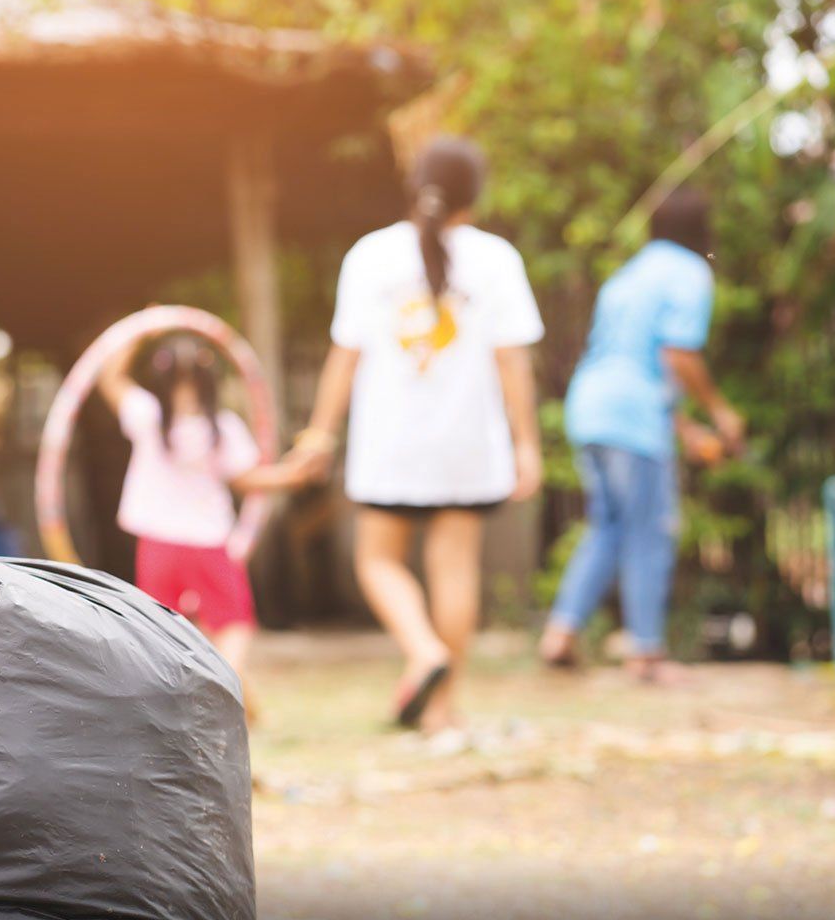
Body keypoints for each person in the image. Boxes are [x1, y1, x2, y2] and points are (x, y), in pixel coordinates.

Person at [288, 137, 544, 732]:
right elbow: (513, 363)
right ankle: (442, 707)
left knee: (377, 560)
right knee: (454, 568)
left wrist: (320, 435)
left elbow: (343, 358)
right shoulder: (497, 259)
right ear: (474, 197)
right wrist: (526, 443)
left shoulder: (370, 256)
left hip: (391, 443)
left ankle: (421, 649)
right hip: (468, 443)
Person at [539, 189, 744, 683]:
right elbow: (677, 355)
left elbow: (638, 359)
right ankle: (646, 653)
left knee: (608, 525)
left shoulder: (628, 274)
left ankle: (561, 634)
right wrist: (720, 413)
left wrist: (685, 427)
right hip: (633, 415)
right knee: (649, 529)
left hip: (591, 405)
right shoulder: (690, 272)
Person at [100, 332, 309, 723]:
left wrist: (140, 333)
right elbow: (248, 479)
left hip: (158, 544)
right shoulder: (222, 427)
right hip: (207, 542)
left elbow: (110, 377)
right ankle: (219, 693)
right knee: (233, 623)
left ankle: (209, 700)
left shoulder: (146, 415)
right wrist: (292, 474)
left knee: (161, 629)